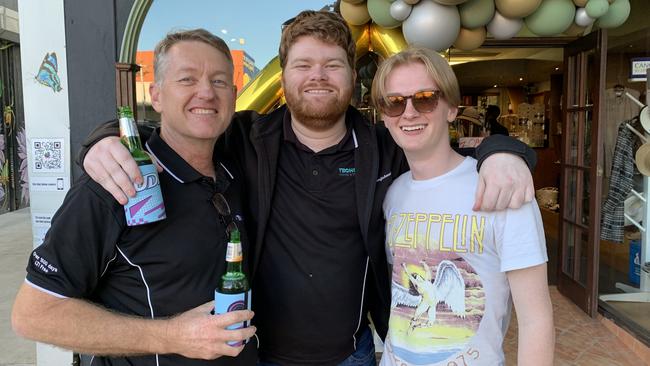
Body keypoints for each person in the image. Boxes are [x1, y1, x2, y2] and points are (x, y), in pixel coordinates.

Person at [79, 11, 537, 365]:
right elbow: (176, 128)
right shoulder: (245, 138)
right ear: (285, 76)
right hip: (262, 352)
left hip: (353, 352)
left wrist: (505, 152)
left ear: (351, 77)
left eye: (332, 65)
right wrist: (101, 141)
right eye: (303, 64)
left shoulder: (383, 145)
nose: (317, 75)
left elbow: (443, 144)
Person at [11, 29, 257, 365]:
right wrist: (173, 336)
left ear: (234, 94)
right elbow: (34, 314)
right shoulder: (115, 182)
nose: (206, 92)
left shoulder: (238, 171)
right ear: (156, 96)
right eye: (187, 79)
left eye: (219, 81)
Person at [371, 48, 554, 365]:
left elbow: (535, 318)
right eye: (394, 102)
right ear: (384, 116)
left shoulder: (500, 188)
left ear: (452, 108)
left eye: (425, 98)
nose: (409, 112)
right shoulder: (392, 195)